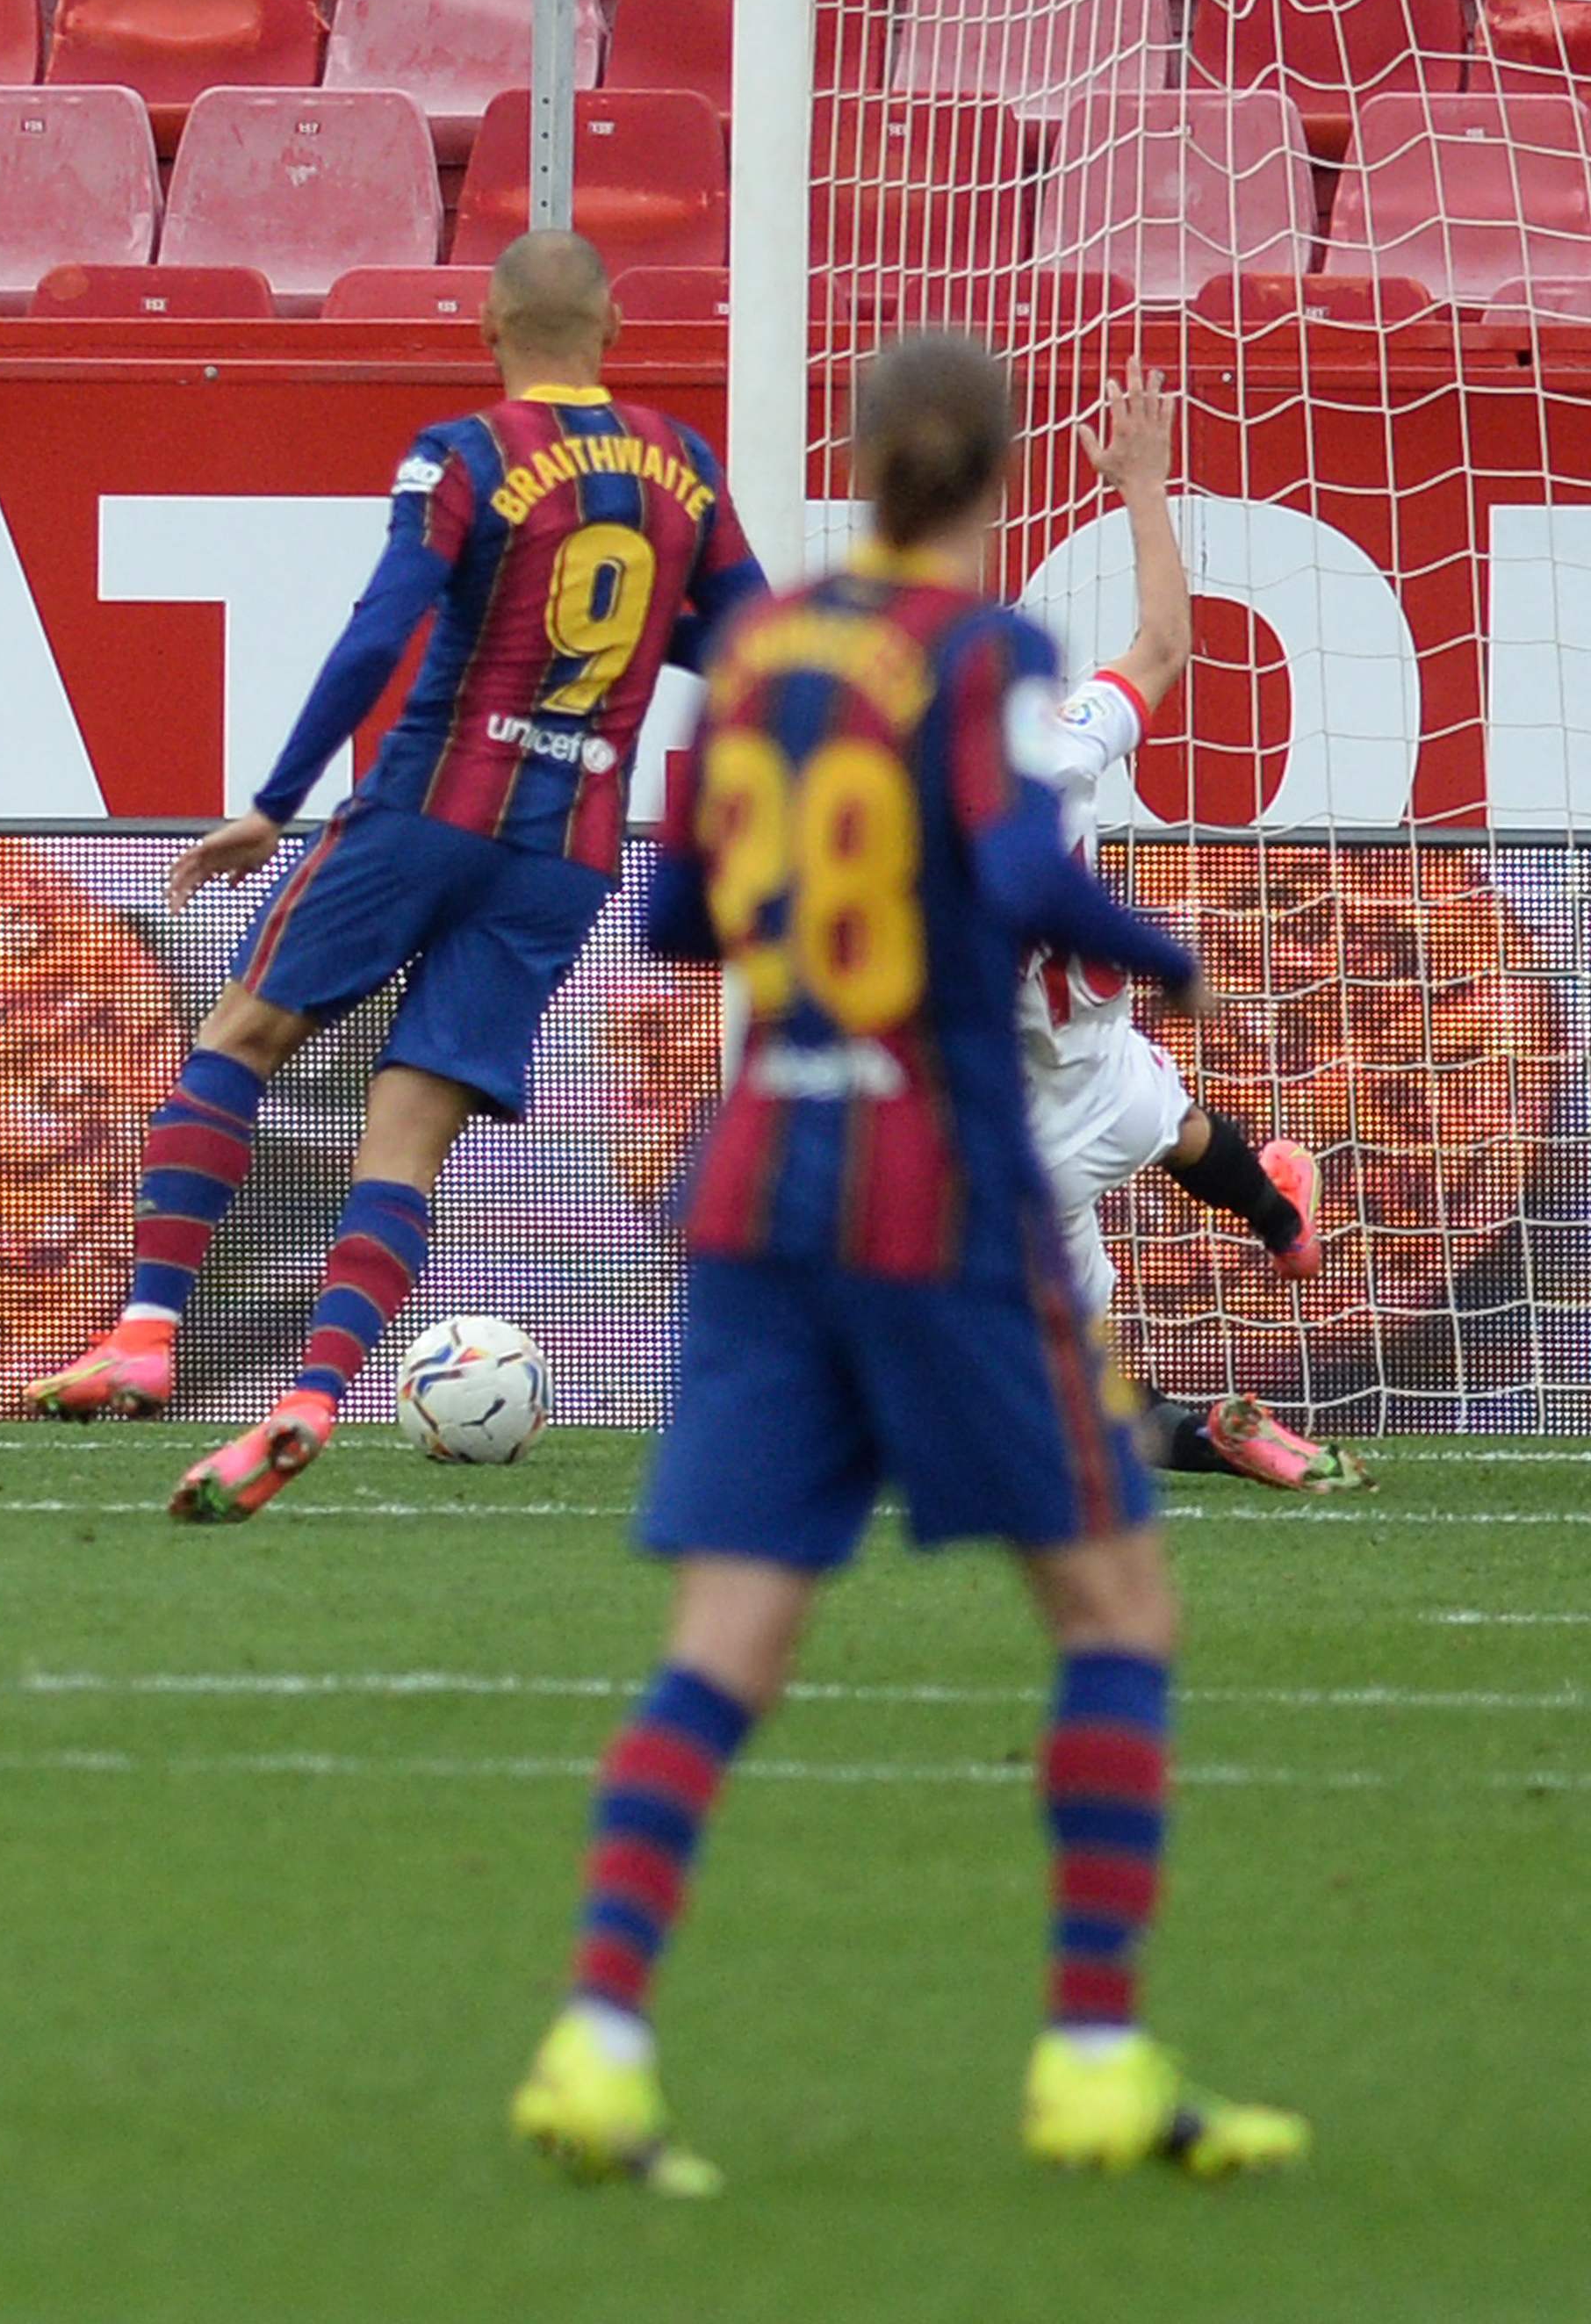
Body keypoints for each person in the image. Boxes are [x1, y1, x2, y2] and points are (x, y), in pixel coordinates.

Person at [510, 331, 1304, 2196]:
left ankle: (597, 2036)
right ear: (999, 478)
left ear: (859, 465)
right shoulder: (990, 661)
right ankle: (1093, 2057)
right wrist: (1155, 950)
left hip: (756, 1176)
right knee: (1115, 1609)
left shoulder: (763, 659)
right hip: (934, 1186)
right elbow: (1024, 877)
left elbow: (683, 913)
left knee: (729, 1631)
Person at [25, 232, 769, 1523]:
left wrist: (272, 800)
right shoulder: (686, 468)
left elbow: (383, 628)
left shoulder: (467, 454)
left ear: (489, 325)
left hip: (427, 805)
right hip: (565, 851)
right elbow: (754, 638)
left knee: (241, 1032)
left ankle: (145, 1332)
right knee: (408, 1134)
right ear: (611, 333)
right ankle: (310, 1396)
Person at [1021, 368, 1364, 1493]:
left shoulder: (905, 840)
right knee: (1172, 1124)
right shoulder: (1060, 748)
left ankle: (1202, 1431)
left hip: (1016, 1146)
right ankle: (1281, 1223)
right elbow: (1163, 642)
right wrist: (1141, 486)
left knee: (1084, 1399)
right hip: (1109, 1074)